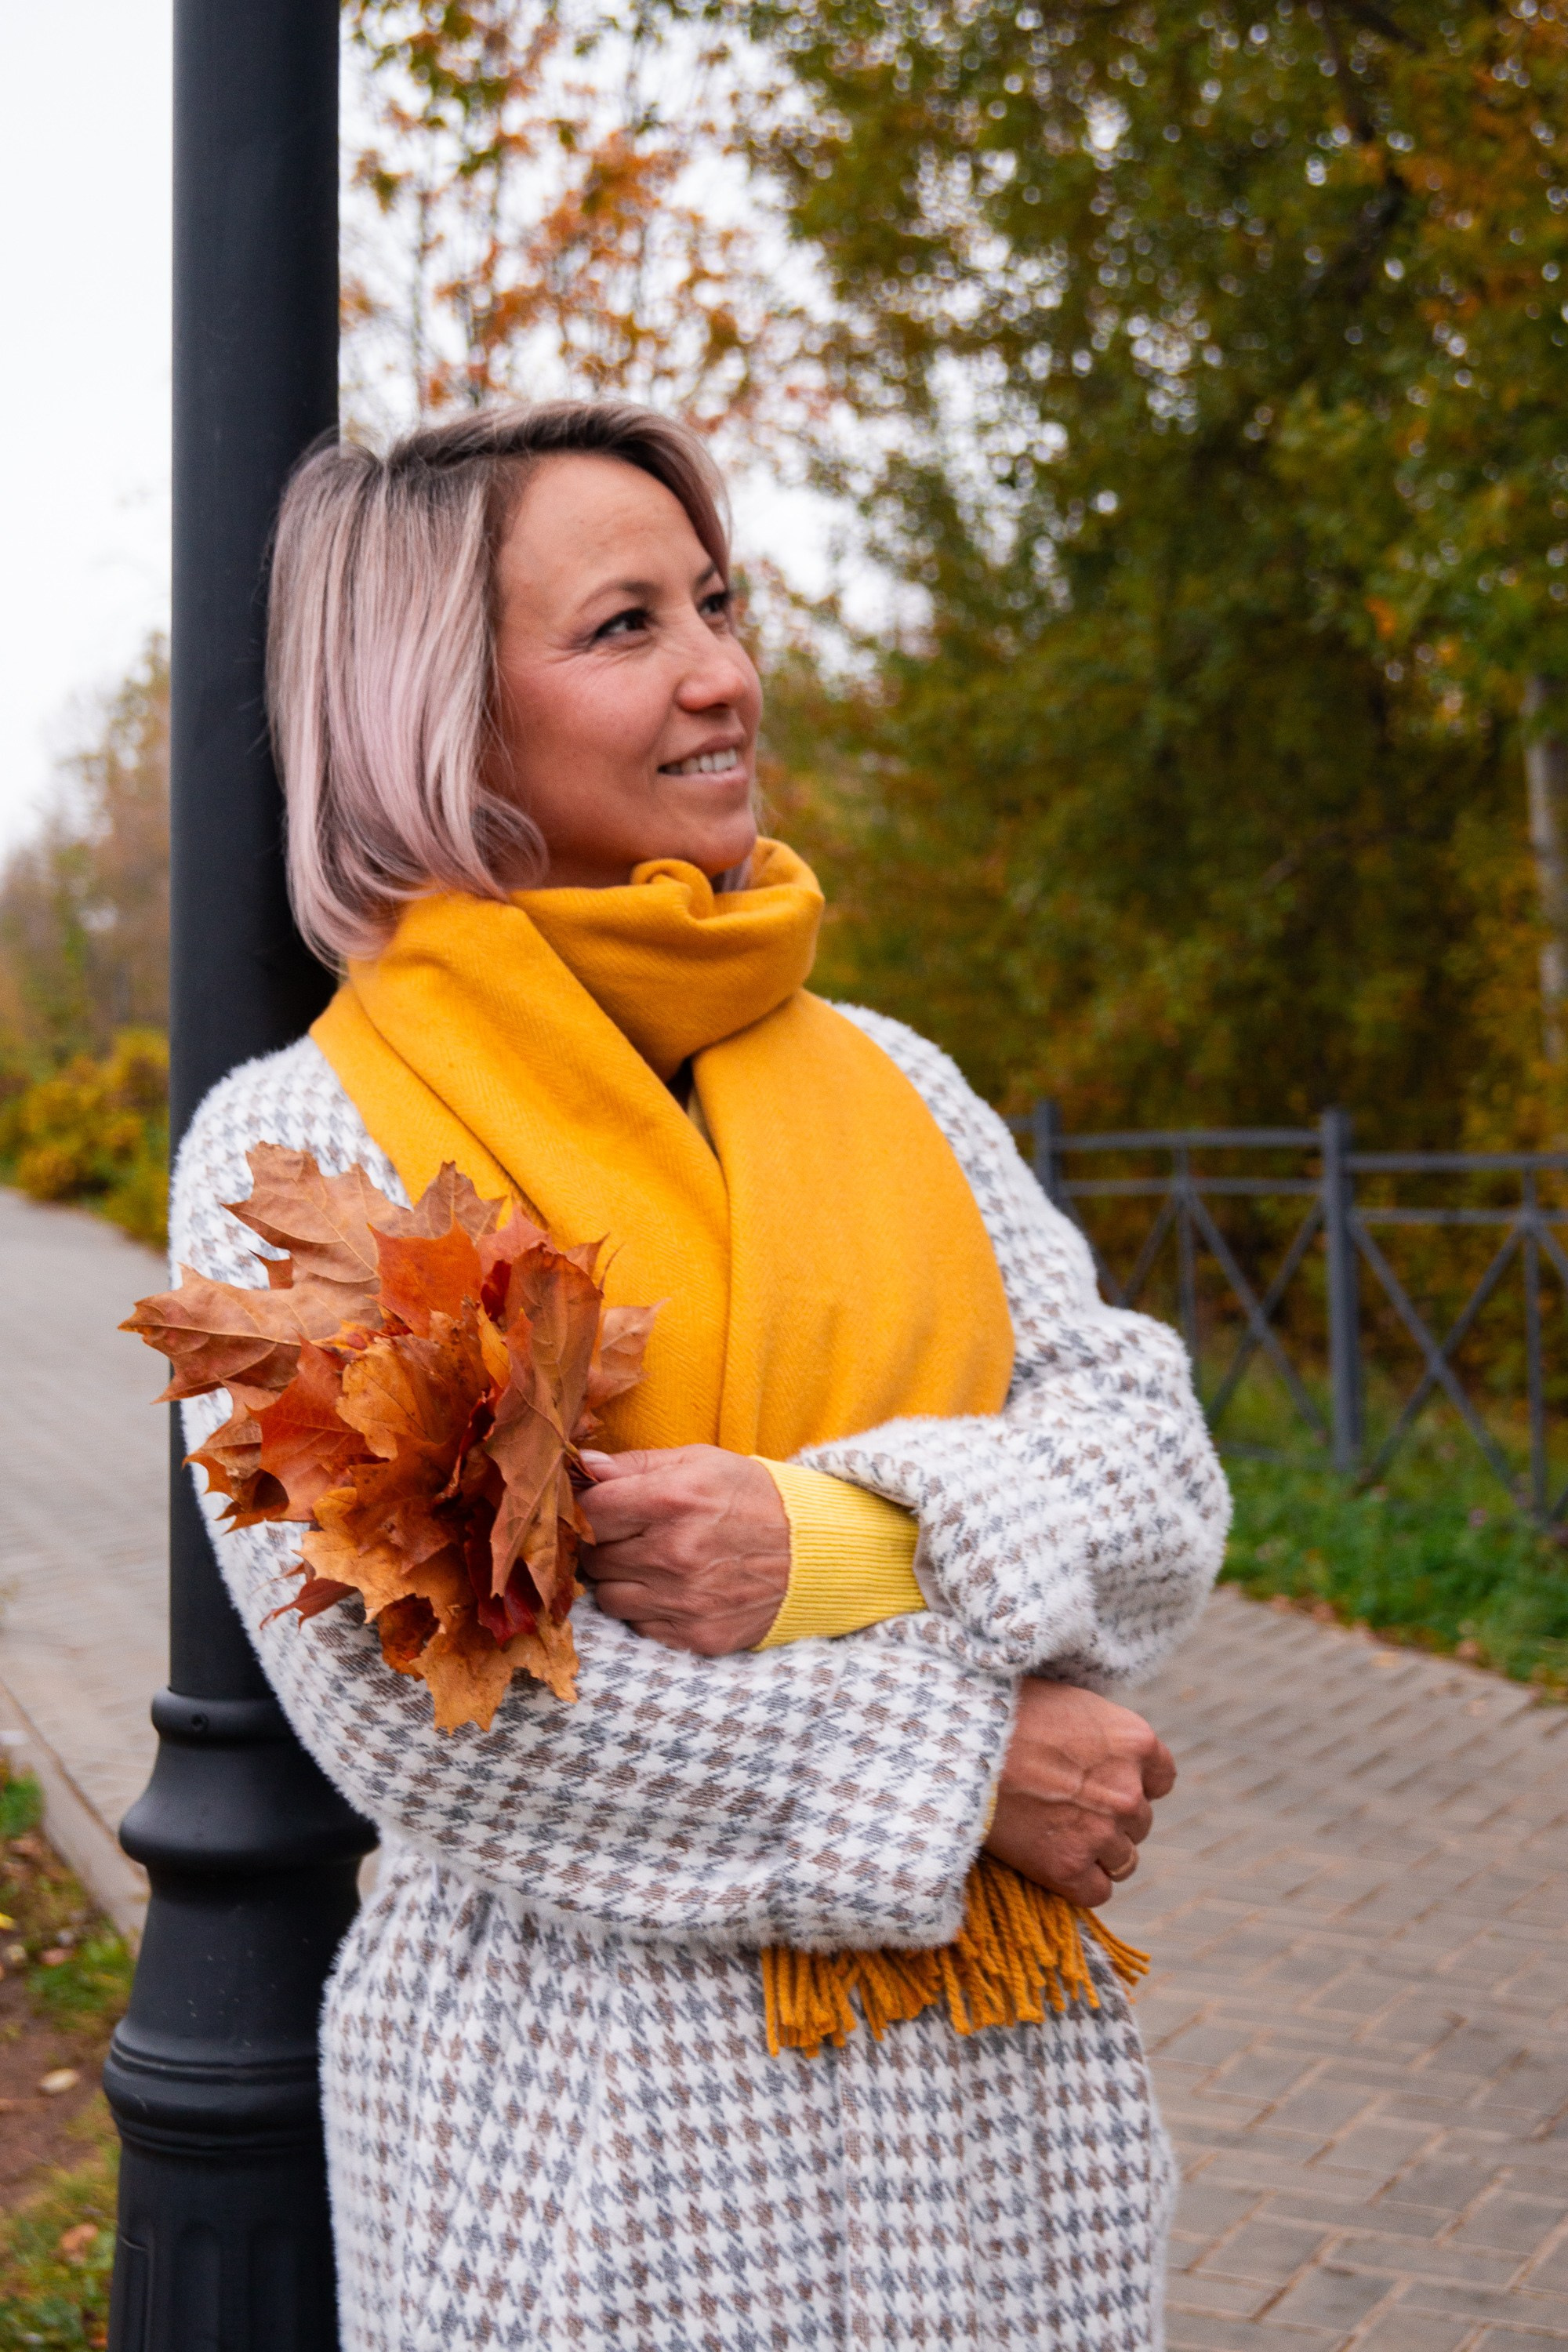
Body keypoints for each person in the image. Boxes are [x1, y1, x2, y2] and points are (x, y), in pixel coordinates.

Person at [171, 399, 1229, 2352]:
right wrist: (977, 1766)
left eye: (718, 603)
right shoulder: (309, 1155)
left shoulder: (892, 1080)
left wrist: (824, 1544)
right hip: (606, 2153)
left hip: (1003, 2121)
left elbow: (1156, 1485)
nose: (724, 671)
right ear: (444, 711)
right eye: (626, 625)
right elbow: (442, 1722)